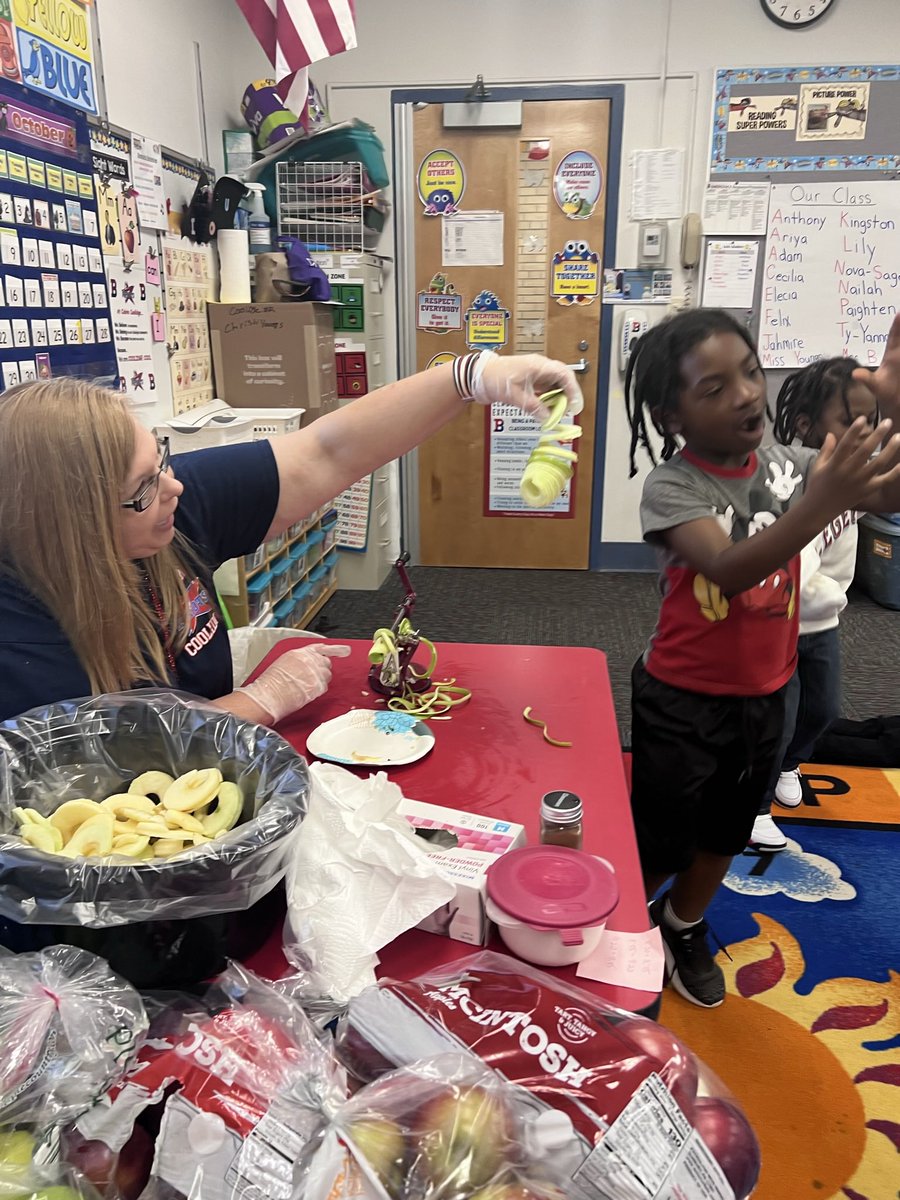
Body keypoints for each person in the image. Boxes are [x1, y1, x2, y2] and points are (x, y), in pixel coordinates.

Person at [0, 351, 581, 725]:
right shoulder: (20, 638)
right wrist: (259, 701)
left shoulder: (170, 508)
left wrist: (475, 377)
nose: (174, 487)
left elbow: (325, 451)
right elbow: (114, 771)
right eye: (143, 488)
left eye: (163, 461)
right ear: (71, 525)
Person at [624, 308, 900, 1009]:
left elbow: (888, 490)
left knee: (726, 829)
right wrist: (823, 502)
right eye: (713, 388)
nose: (747, 394)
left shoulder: (792, 467)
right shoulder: (673, 486)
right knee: (658, 839)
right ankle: (622, 920)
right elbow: (731, 569)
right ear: (671, 413)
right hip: (682, 699)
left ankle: (682, 924)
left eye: (749, 372)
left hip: (766, 696)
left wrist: (896, 410)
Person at [749, 358, 877, 852]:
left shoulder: (856, 477)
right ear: (806, 425)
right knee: (777, 720)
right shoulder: (785, 478)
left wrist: (830, 599)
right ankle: (756, 807)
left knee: (822, 710)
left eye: (871, 420)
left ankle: (788, 765)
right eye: (850, 421)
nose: (863, 432)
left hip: (823, 618)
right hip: (776, 622)